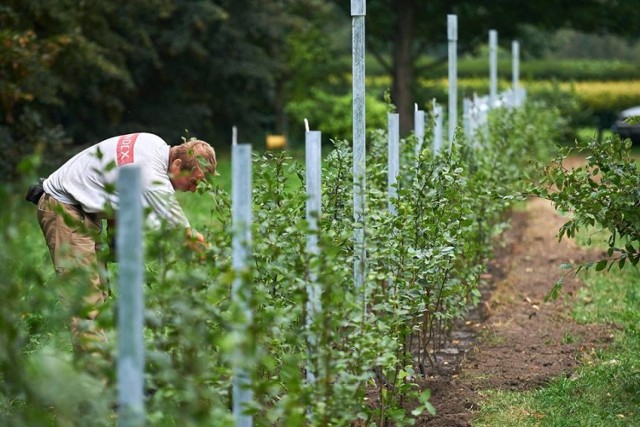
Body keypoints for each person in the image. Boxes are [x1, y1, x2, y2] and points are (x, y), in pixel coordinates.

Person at [34, 132, 217, 353]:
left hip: (82, 207)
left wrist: (115, 240)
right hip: (64, 207)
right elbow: (186, 237)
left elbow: (117, 182)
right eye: (193, 181)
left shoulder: (155, 143)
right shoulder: (154, 180)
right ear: (177, 165)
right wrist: (222, 264)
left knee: (99, 297)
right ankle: (96, 382)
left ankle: (108, 369)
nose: (194, 189)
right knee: (85, 306)